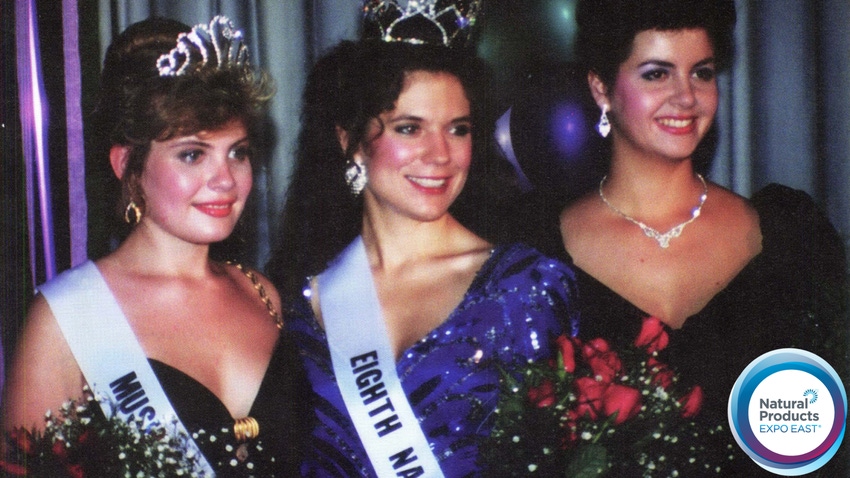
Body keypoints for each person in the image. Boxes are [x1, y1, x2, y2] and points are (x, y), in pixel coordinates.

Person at [265, 2, 580, 476]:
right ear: (350, 141)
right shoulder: (293, 299)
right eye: (409, 128)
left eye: (458, 129)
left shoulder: (527, 288)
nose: (440, 155)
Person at [533, 0, 847, 474]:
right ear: (601, 89)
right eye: (657, 74)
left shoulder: (788, 232)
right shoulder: (538, 254)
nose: (686, 97)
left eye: (701, 73)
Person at [2, 16, 307, 476]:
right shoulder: (65, 320)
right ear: (128, 165)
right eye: (193, 154)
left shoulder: (262, 293)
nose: (226, 180)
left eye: (237, 152)